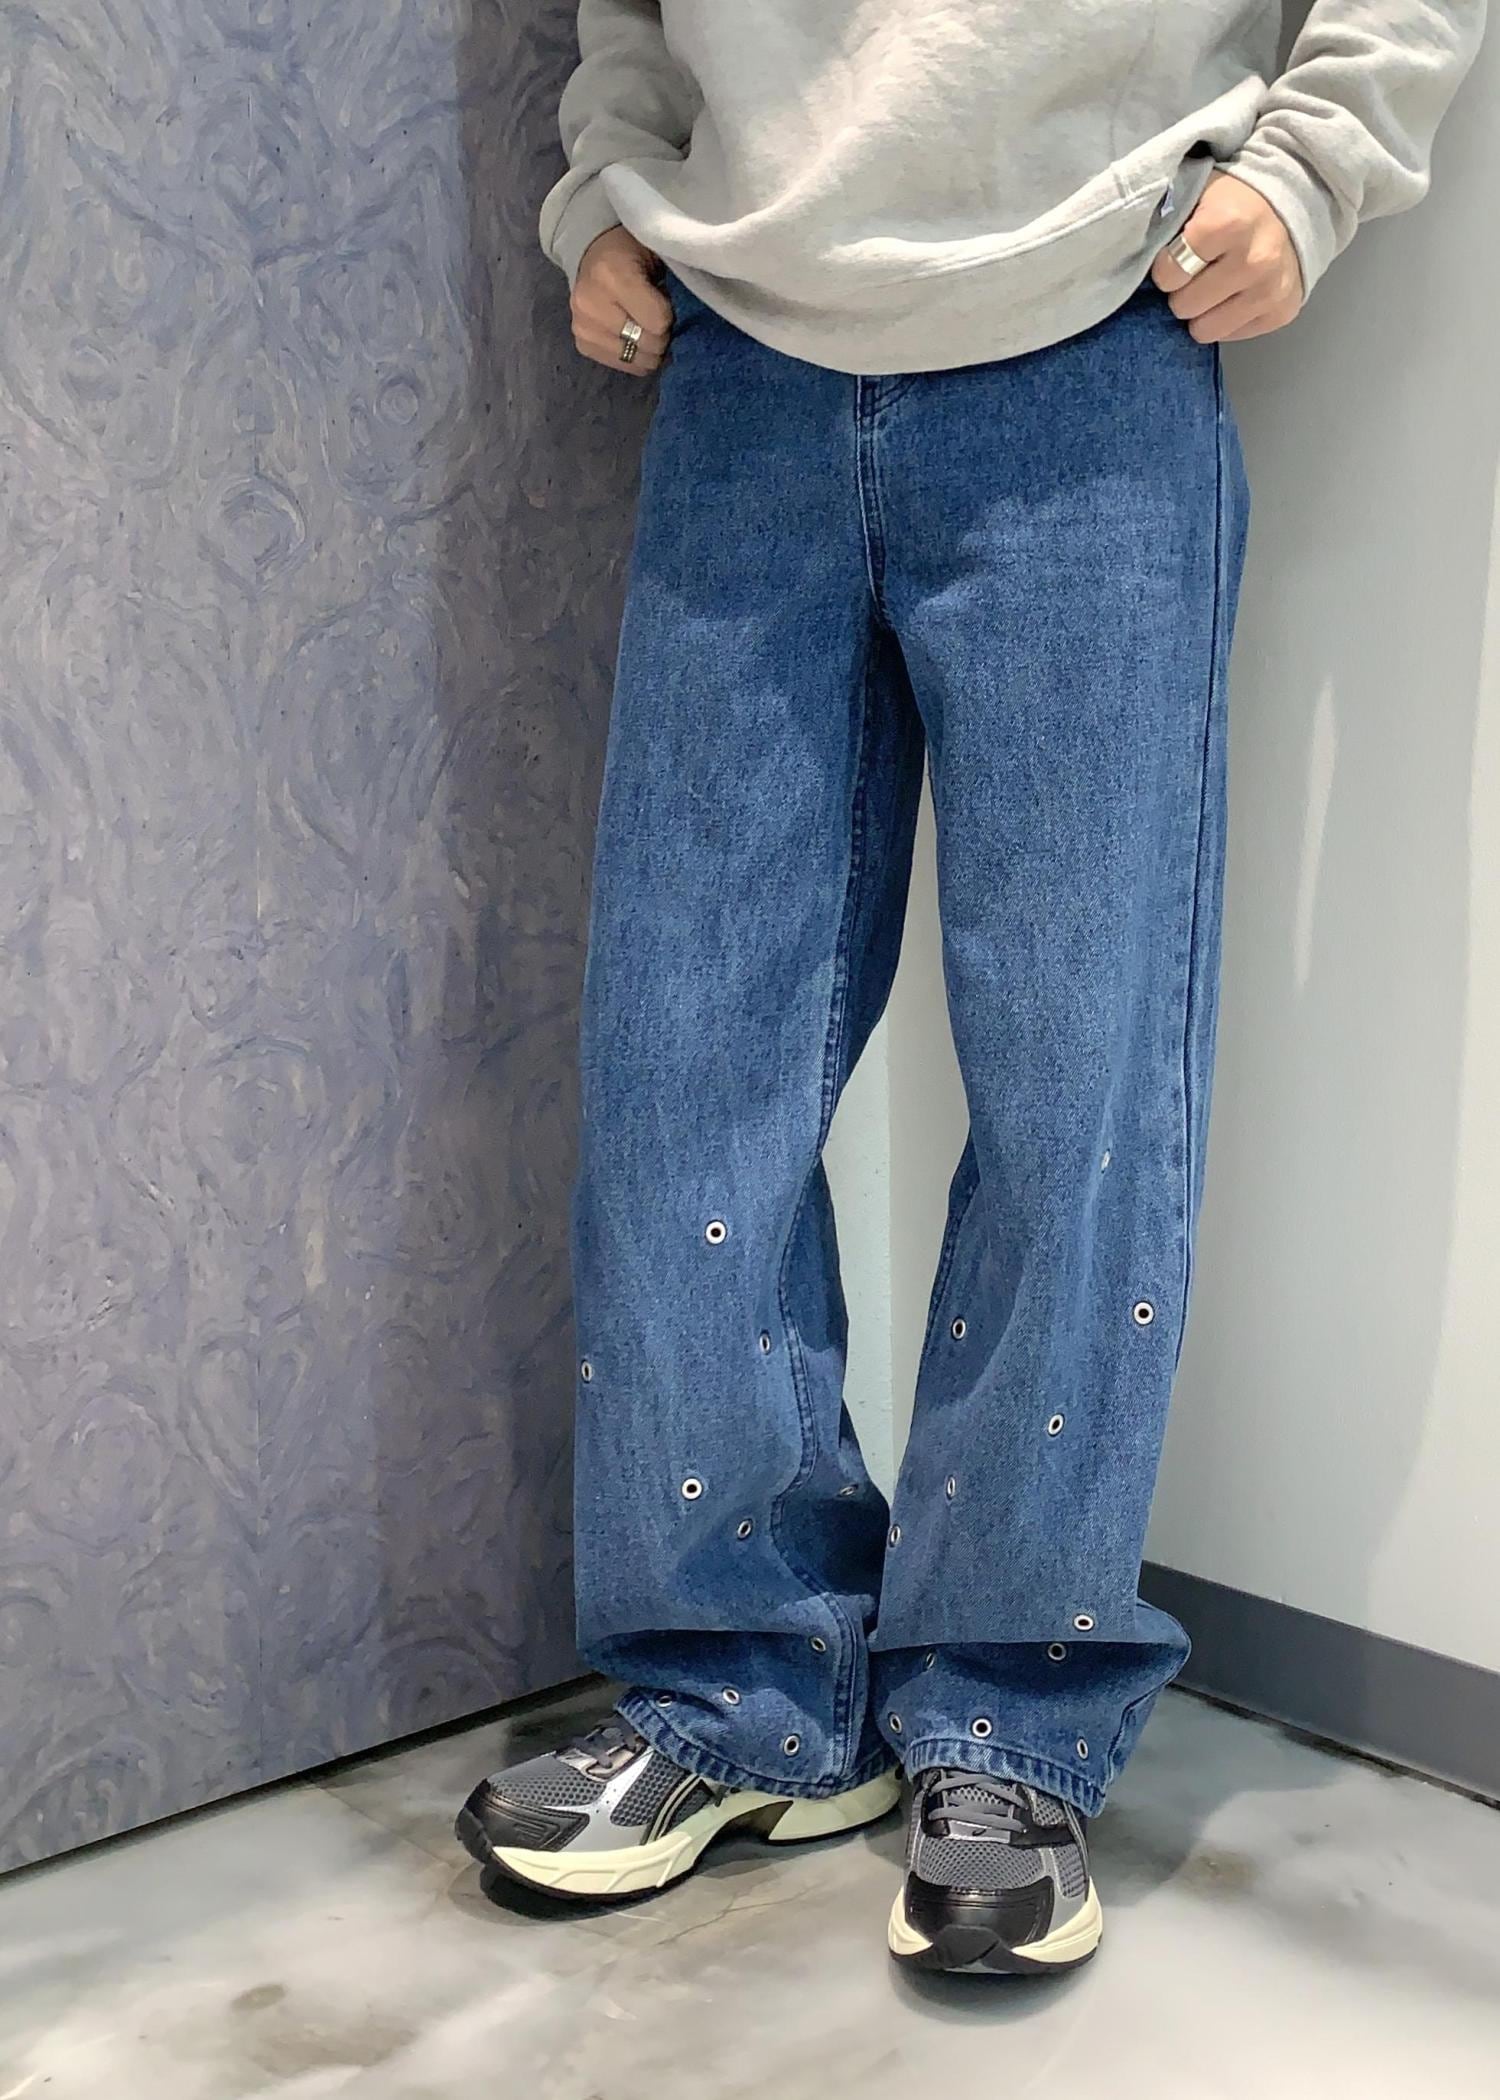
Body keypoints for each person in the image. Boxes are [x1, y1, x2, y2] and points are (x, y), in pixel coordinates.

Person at [457, 0, 1484, 1975]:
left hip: (1092, 337)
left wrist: (1316, 163)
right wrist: (610, 179)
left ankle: (1013, 1713)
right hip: (737, 354)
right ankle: (736, 1686)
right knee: (682, 1065)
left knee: (1077, 1082)